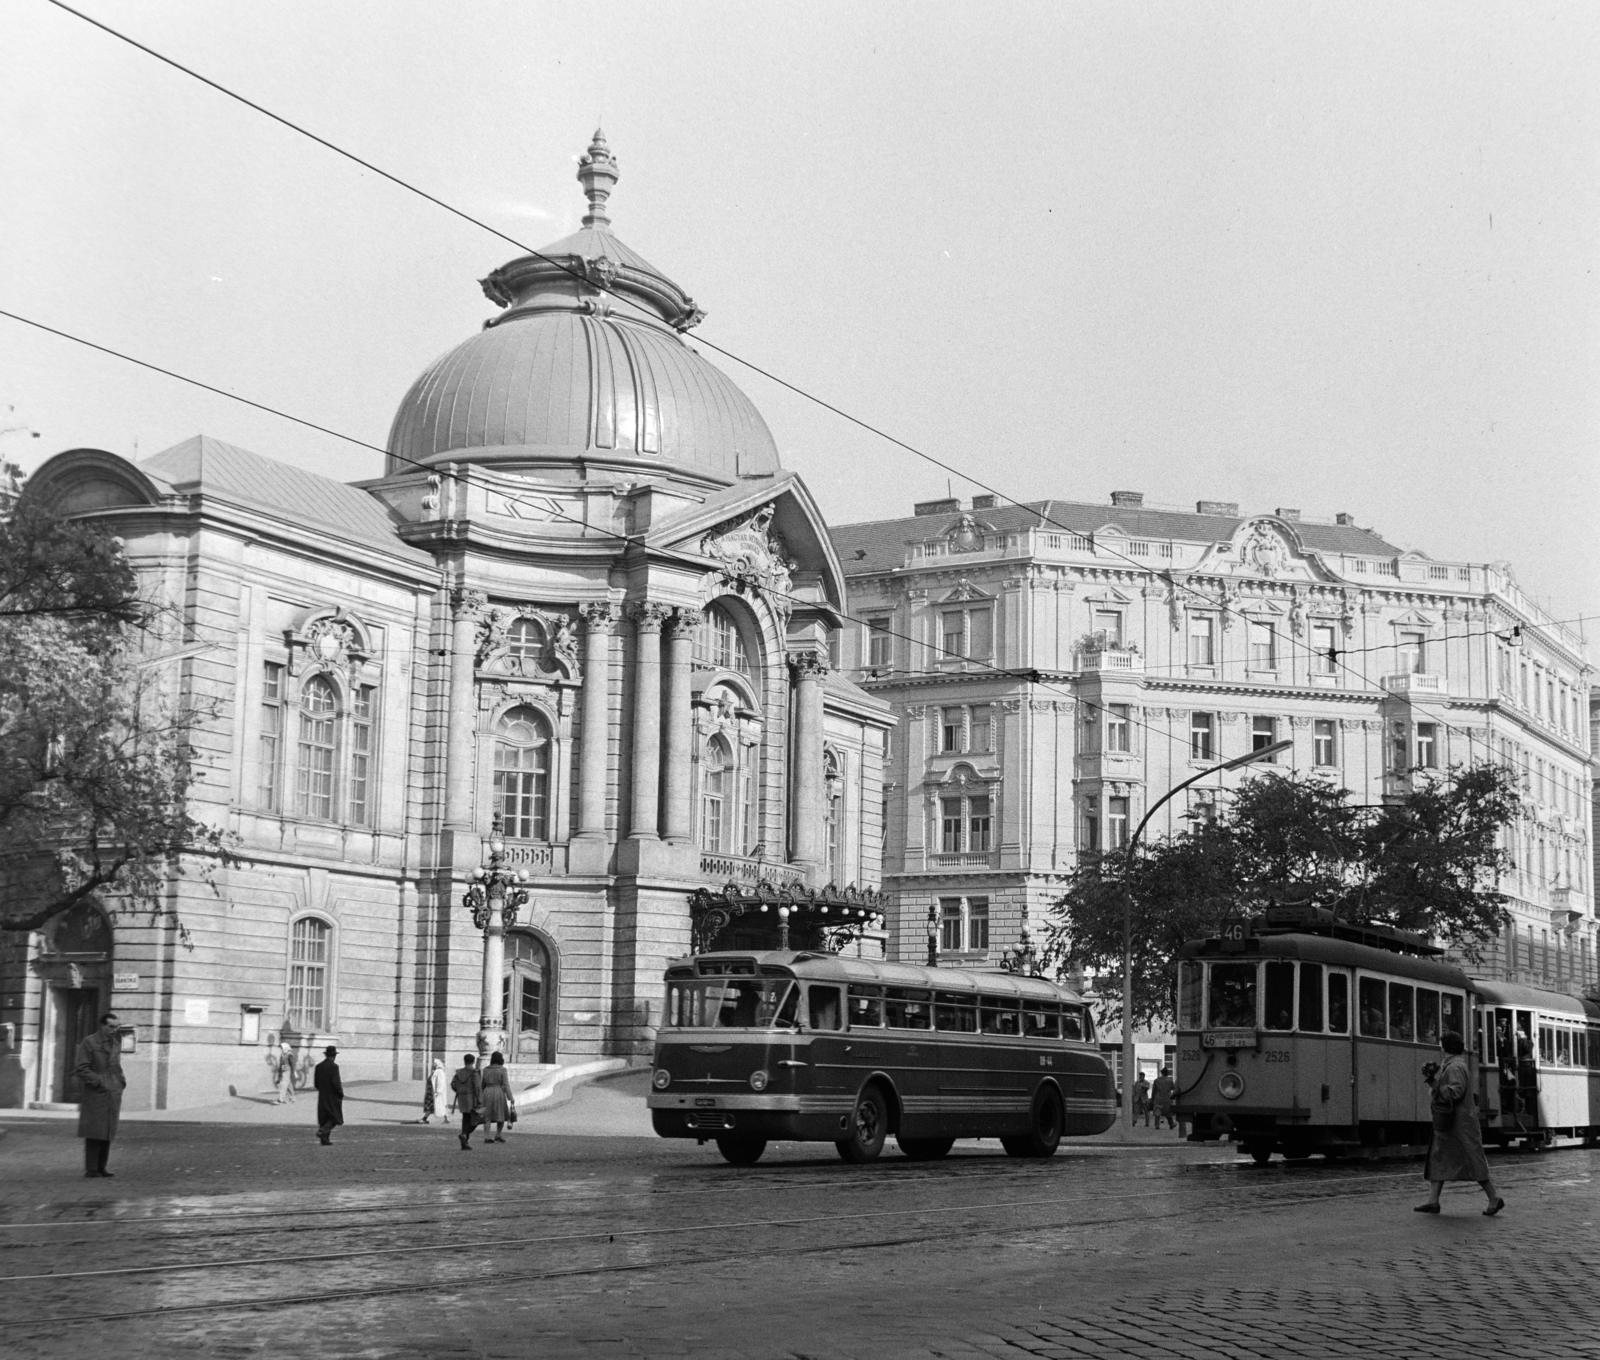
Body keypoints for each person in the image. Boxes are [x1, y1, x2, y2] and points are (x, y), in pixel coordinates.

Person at [1416, 1032, 1504, 1216]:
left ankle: (1494, 1198)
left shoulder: (1455, 1067)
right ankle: (1433, 1201)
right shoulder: (1455, 1065)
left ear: (1444, 1048)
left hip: (1458, 1124)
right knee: (1438, 1157)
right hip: (1453, 1123)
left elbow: (1454, 1093)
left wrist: (1433, 1082)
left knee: (1472, 1159)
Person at [75, 1011, 127, 1178]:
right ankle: (91, 1169)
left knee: (108, 1131)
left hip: (113, 1091)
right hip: (97, 1092)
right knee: (95, 1131)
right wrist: (99, 1081)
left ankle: (102, 1167)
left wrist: (121, 1081)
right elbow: (82, 1068)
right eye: (111, 1026)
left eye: (117, 1027)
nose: (114, 1030)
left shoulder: (116, 1042)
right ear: (103, 1026)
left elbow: (117, 1066)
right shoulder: (89, 1042)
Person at [450, 1053, 483, 1151]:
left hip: (462, 1099)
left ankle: (464, 1143)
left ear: (465, 1061)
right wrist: (480, 1100)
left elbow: (453, 1084)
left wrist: (460, 1091)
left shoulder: (459, 1072)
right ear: (473, 1062)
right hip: (472, 1099)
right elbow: (477, 1088)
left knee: (465, 1119)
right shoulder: (474, 1073)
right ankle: (464, 1135)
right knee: (475, 1121)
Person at [313, 1045, 344, 1146]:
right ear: (334, 1056)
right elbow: (336, 1082)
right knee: (334, 1116)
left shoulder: (319, 1066)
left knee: (324, 1116)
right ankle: (322, 1132)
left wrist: (322, 1089)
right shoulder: (334, 1067)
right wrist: (340, 1093)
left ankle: (324, 1139)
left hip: (322, 1094)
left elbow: (316, 1083)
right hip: (332, 1095)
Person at [481, 1051, 513, 1142]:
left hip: (487, 1092)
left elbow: (482, 1084)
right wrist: (510, 1097)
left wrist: (481, 1095)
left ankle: (486, 1136)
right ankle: (498, 1134)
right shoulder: (502, 1070)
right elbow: (506, 1085)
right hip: (498, 1092)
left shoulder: (485, 1069)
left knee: (487, 1115)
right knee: (501, 1114)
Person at [420, 1057, 447, 1123]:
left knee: (437, 1105)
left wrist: (438, 1092)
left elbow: (440, 1082)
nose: (432, 1065)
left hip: (435, 1092)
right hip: (431, 1092)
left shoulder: (439, 1071)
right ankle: (447, 1118)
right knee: (438, 1105)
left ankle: (424, 1118)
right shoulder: (435, 1071)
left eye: (434, 1064)